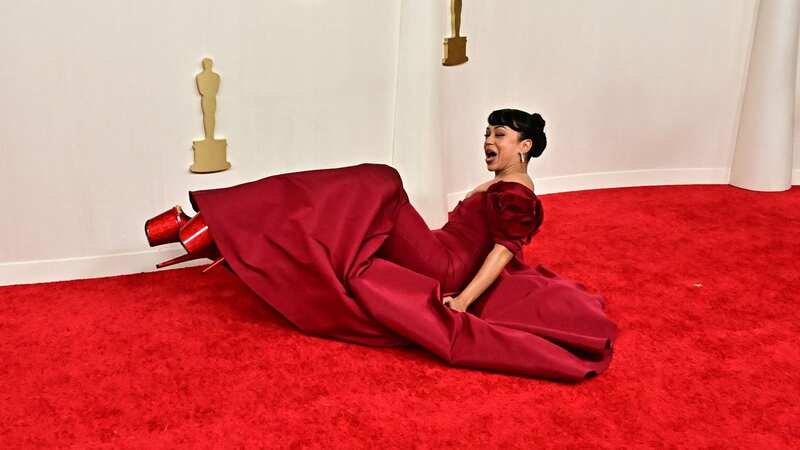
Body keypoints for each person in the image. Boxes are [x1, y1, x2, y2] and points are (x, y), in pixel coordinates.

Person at [144, 108, 617, 381]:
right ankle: (218, 229)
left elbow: (503, 252)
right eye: (487, 133)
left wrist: (464, 301)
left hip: (446, 267)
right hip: (437, 247)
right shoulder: (502, 187)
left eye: (500, 135)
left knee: (381, 181)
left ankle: (216, 225)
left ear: (526, 146)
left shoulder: (517, 195)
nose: (488, 142)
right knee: (353, 210)